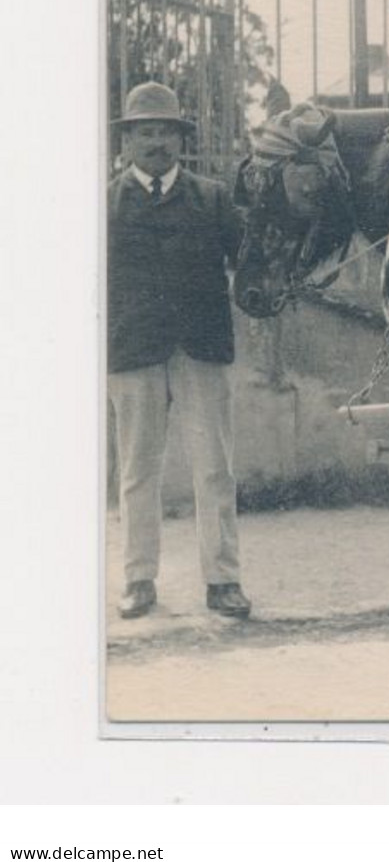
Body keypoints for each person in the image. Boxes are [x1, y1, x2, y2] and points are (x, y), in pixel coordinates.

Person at [107, 82, 251, 619]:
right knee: (137, 470)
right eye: (145, 132)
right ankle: (138, 580)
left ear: (180, 139)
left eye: (165, 131)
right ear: (127, 142)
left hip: (201, 349)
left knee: (214, 467)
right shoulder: (102, 202)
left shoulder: (213, 198)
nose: (156, 142)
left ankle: (223, 581)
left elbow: (248, 262)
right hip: (133, 350)